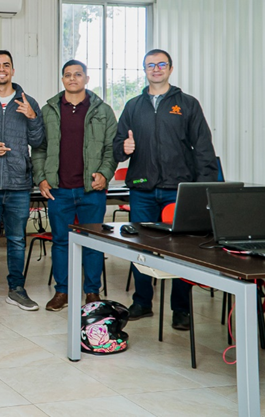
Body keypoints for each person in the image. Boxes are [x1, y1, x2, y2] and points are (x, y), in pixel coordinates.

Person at [114, 49, 218, 330]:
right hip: (142, 190)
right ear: (144, 70)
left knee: (181, 250)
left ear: (170, 69)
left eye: (161, 64)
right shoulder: (133, 106)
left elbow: (204, 150)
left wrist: (204, 189)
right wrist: (123, 148)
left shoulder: (187, 104)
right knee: (141, 247)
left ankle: (181, 309)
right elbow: (116, 146)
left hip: (178, 191)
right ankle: (142, 301)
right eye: (150, 65)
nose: (156, 69)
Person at [33, 60, 117, 312]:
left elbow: (111, 148)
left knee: (92, 241)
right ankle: (62, 292)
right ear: (62, 80)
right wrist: (41, 177)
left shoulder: (103, 110)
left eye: (78, 74)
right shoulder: (48, 110)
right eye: (68, 75)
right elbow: (39, 147)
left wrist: (104, 173)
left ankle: (92, 291)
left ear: (86, 79)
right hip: (59, 189)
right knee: (60, 241)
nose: (73, 79)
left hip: (91, 189)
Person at [0, 50, 45, 312]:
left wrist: (32, 118)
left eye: (6, 65)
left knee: (16, 240)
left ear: (13, 70)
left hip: (18, 183)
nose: (1, 69)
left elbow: (38, 142)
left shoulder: (28, 102)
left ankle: (17, 289)